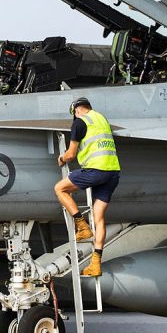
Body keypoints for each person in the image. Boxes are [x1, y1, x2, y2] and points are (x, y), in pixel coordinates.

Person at [54, 97, 121, 276]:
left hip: (95, 170)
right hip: (112, 172)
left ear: (76, 111)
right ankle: (96, 263)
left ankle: (81, 226)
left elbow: (71, 154)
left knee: (60, 189)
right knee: (99, 217)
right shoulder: (102, 119)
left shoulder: (80, 123)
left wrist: (61, 158)